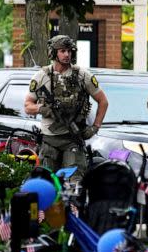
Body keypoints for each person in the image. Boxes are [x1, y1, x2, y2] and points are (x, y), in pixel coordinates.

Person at [24, 35, 108, 180]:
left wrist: (95, 127)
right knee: (46, 182)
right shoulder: (41, 76)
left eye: (69, 51)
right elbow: (27, 106)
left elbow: (103, 101)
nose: (67, 54)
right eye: (62, 51)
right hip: (49, 140)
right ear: (53, 52)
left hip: (73, 139)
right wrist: (42, 109)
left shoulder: (82, 75)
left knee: (74, 183)